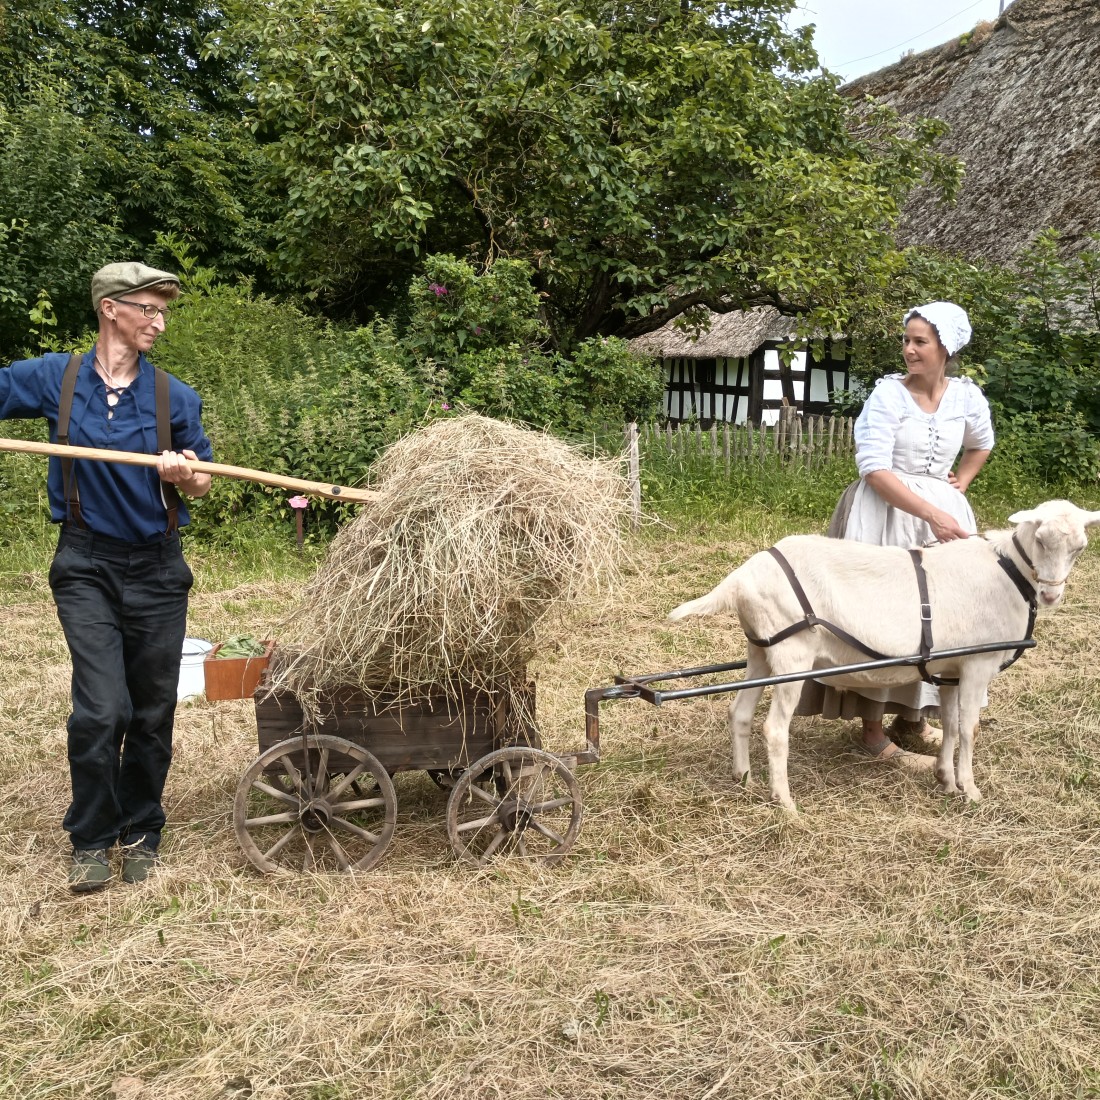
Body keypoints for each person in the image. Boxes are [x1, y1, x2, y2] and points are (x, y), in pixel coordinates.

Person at [0, 262, 213, 892]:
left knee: (150, 710)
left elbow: (202, 482)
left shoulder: (175, 397)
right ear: (110, 308)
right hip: (85, 563)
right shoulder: (53, 378)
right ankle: (92, 836)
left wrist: (184, 475)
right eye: (149, 308)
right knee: (101, 710)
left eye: (164, 311)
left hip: (156, 567)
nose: (159, 321)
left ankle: (143, 825)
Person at [797, 301, 995, 767]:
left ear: (945, 347)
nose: (908, 349)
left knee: (938, 616)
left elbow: (982, 442)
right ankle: (870, 730)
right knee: (882, 613)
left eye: (919, 341)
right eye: (906, 340)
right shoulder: (888, 395)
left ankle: (913, 717)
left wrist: (961, 482)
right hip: (883, 511)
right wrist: (930, 513)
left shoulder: (966, 397)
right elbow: (872, 468)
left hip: (939, 513)